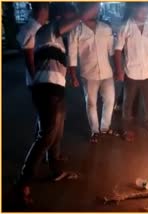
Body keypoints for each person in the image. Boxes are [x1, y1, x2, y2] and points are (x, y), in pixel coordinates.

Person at [15, 3, 96, 206]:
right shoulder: (48, 30)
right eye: (69, 15)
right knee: (47, 135)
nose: (72, 19)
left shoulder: (58, 39)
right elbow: (80, 16)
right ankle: (23, 182)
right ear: (60, 16)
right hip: (47, 89)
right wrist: (85, 13)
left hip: (55, 88)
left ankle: (56, 170)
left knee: (56, 133)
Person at [68, 3, 118, 144]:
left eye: (97, 9)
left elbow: (112, 51)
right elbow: (71, 55)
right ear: (85, 10)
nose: (96, 11)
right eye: (93, 8)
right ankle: (94, 131)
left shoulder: (105, 28)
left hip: (107, 72)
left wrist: (117, 68)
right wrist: (73, 76)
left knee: (109, 101)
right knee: (91, 103)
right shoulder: (76, 30)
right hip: (88, 74)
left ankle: (105, 127)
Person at [114, 3, 148, 142]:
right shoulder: (125, 27)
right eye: (143, 12)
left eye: (147, 12)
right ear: (135, 10)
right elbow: (117, 51)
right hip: (131, 72)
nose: (145, 15)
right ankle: (126, 128)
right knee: (128, 104)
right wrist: (119, 70)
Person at [16, 2, 49, 138]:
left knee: (44, 115)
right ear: (43, 10)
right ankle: (41, 150)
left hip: (40, 78)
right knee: (45, 115)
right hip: (38, 80)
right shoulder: (32, 29)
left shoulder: (35, 27)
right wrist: (36, 79)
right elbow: (29, 58)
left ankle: (46, 149)